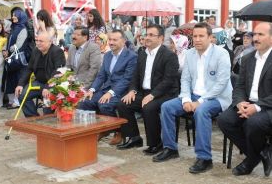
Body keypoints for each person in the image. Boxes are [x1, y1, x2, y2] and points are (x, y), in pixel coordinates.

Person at [153, 22, 232, 174]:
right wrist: (186, 99)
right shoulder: (190, 54)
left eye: (201, 36)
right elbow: (185, 79)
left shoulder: (222, 54)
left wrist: (199, 102)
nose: (197, 39)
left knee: (201, 111)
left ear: (210, 37)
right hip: (193, 95)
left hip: (217, 98)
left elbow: (221, 83)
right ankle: (170, 148)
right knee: (167, 107)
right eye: (194, 36)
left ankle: (205, 158)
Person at [217, 22, 272, 177]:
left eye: (261, 34)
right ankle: (260, 153)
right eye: (254, 34)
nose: (255, 38)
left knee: (252, 123)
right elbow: (239, 86)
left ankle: (250, 161)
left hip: (267, 107)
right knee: (224, 120)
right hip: (248, 103)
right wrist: (240, 102)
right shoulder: (248, 59)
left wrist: (258, 107)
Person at [116, 24, 179, 154]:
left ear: (161, 38)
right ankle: (134, 137)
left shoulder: (169, 55)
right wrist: (132, 91)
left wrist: (153, 95)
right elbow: (135, 76)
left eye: (151, 35)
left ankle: (156, 144)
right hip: (144, 92)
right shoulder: (142, 54)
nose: (147, 38)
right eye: (146, 34)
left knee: (148, 107)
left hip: (164, 93)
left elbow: (169, 80)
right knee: (123, 104)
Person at [78, 29, 137, 145]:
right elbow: (101, 76)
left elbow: (126, 79)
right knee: (86, 102)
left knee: (105, 104)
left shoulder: (131, 57)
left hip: (122, 90)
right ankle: (101, 129)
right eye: (110, 39)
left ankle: (118, 130)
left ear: (123, 41)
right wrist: (91, 90)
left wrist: (110, 93)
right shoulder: (108, 55)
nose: (111, 42)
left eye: (115, 40)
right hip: (106, 88)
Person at [15, 31, 66, 117]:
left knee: (47, 108)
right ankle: (33, 118)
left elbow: (58, 72)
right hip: (38, 82)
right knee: (21, 95)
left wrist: (48, 87)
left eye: (41, 41)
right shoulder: (36, 50)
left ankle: (48, 120)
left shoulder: (57, 51)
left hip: (52, 84)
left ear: (50, 42)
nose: (38, 43)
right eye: (37, 40)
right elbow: (29, 69)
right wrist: (20, 84)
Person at [2, 8, 28, 109]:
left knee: (17, 79)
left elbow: (19, 45)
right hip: (10, 58)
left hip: (17, 60)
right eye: (13, 15)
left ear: (21, 16)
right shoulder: (13, 28)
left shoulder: (23, 29)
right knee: (10, 79)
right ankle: (12, 101)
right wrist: (5, 50)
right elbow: (7, 41)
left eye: (15, 15)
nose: (13, 17)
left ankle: (17, 102)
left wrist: (9, 50)